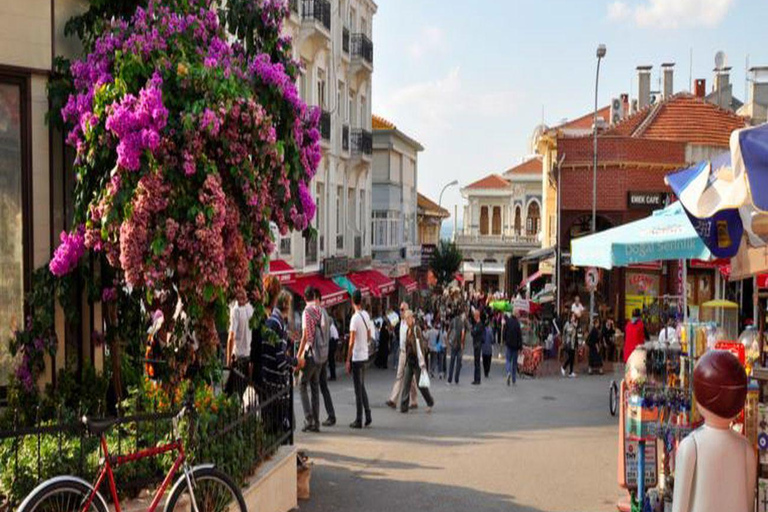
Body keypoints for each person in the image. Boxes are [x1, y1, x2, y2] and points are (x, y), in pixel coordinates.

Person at [297, 286, 324, 433]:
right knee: (315, 387)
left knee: (302, 385)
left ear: (304, 297)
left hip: (310, 353)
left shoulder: (306, 312)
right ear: (314, 296)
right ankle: (317, 422)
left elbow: (305, 336)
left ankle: (309, 418)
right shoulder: (320, 311)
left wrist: (298, 354)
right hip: (320, 354)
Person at [346, 290, 373, 428]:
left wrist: (347, 359)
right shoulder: (366, 315)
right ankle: (367, 415)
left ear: (352, 301)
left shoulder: (354, 318)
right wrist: (364, 343)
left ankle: (359, 419)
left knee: (358, 389)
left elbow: (351, 341)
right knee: (362, 386)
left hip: (357, 357)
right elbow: (369, 335)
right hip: (365, 355)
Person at [400, 310, 435, 413]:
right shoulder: (408, 330)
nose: (406, 321)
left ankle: (430, 401)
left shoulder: (416, 329)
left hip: (417, 360)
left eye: (407, 318)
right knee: (406, 383)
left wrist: (422, 361)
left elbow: (420, 347)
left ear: (412, 318)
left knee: (421, 385)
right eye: (405, 319)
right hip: (409, 360)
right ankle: (404, 406)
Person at [387, 302, 418, 409]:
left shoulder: (411, 323)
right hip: (402, 352)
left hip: (410, 354)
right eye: (400, 309)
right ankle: (393, 400)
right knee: (399, 376)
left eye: (402, 310)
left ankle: (413, 400)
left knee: (411, 379)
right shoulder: (401, 323)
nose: (400, 312)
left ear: (407, 311)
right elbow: (394, 328)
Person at [314, 289, 336, 427]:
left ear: (318, 300)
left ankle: (315, 419)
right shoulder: (324, 314)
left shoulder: (321, 314)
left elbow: (321, 332)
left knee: (316, 385)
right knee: (323, 386)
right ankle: (331, 414)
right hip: (324, 353)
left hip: (320, 354)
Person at [225, 295, 254, 397]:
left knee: (232, 395)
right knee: (240, 392)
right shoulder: (251, 308)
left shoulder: (236, 310)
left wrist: (228, 362)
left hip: (238, 360)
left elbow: (231, 337)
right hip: (249, 358)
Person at [503, 310, 523, 386]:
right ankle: (513, 379)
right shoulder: (517, 324)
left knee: (508, 360)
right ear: (516, 315)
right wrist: (520, 347)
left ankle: (508, 372)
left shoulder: (508, 321)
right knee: (514, 363)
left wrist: (505, 340)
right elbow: (519, 336)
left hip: (509, 344)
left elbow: (504, 331)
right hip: (515, 346)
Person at [447, 310, 466, 384]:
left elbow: (449, 330)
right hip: (459, 344)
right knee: (458, 363)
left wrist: (448, 338)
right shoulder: (462, 322)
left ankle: (449, 379)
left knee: (452, 362)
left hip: (453, 344)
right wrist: (462, 343)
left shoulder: (453, 321)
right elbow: (463, 333)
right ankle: (456, 379)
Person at [561, 313, 579, 378]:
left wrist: (573, 324)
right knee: (570, 357)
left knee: (572, 358)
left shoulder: (575, 324)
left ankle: (571, 372)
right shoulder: (567, 324)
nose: (573, 318)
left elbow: (576, 328)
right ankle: (564, 367)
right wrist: (563, 341)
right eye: (572, 317)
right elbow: (565, 332)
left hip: (573, 343)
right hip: (568, 342)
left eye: (574, 317)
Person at [470, 309, 485, 385]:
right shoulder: (477, 324)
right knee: (476, 362)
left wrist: (472, 331)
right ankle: (476, 378)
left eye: (474, 315)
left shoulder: (479, 325)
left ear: (477, 315)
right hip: (476, 344)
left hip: (477, 344)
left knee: (477, 362)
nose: (473, 317)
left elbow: (473, 332)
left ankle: (477, 379)